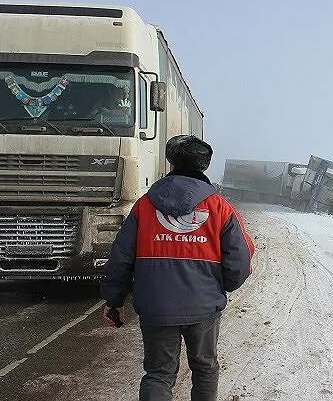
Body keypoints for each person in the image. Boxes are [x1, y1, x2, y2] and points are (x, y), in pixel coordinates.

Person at [101, 135, 255, 401]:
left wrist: (114, 299)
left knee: (158, 374)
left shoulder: (144, 206)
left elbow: (120, 257)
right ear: (203, 166)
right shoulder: (221, 208)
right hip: (204, 307)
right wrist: (221, 286)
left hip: (156, 306)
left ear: (171, 162)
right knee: (205, 369)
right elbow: (240, 261)